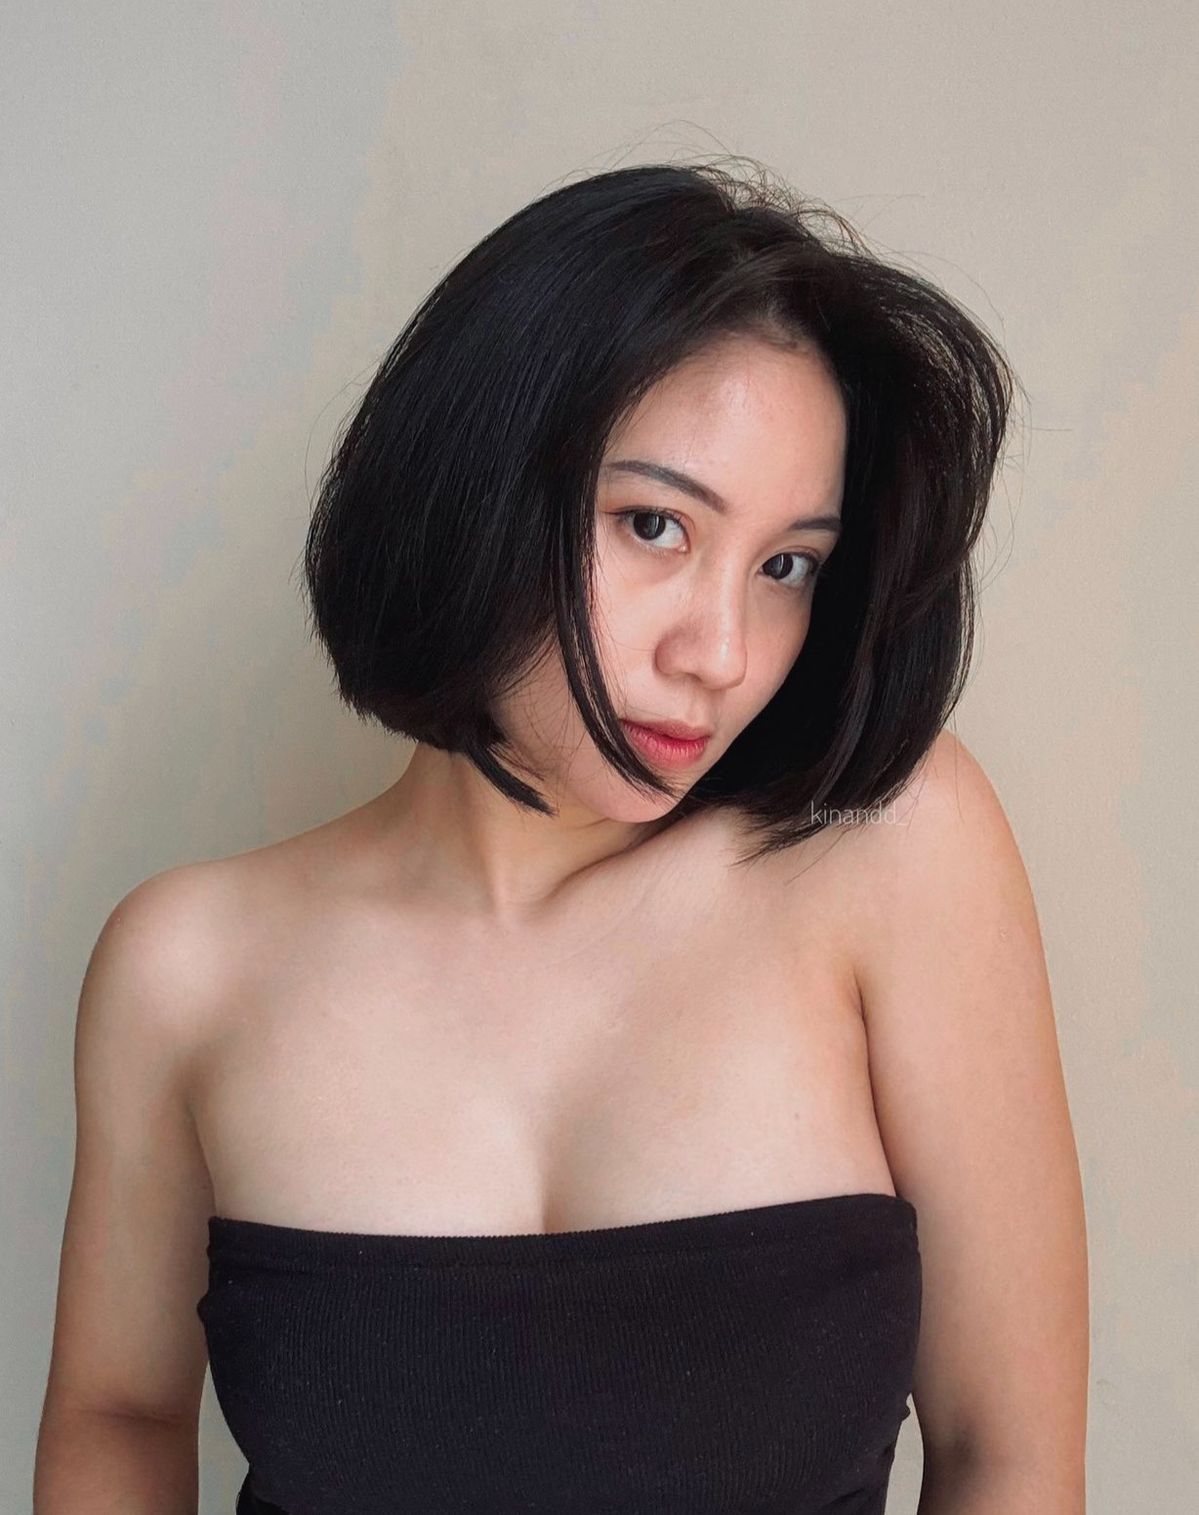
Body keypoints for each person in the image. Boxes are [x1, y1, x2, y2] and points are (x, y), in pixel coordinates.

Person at [34, 161, 1089, 1514]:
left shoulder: (887, 848)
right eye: (655, 525)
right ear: (470, 491)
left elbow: (1009, 1451)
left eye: (787, 566)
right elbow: (117, 1417)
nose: (720, 651)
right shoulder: (188, 966)